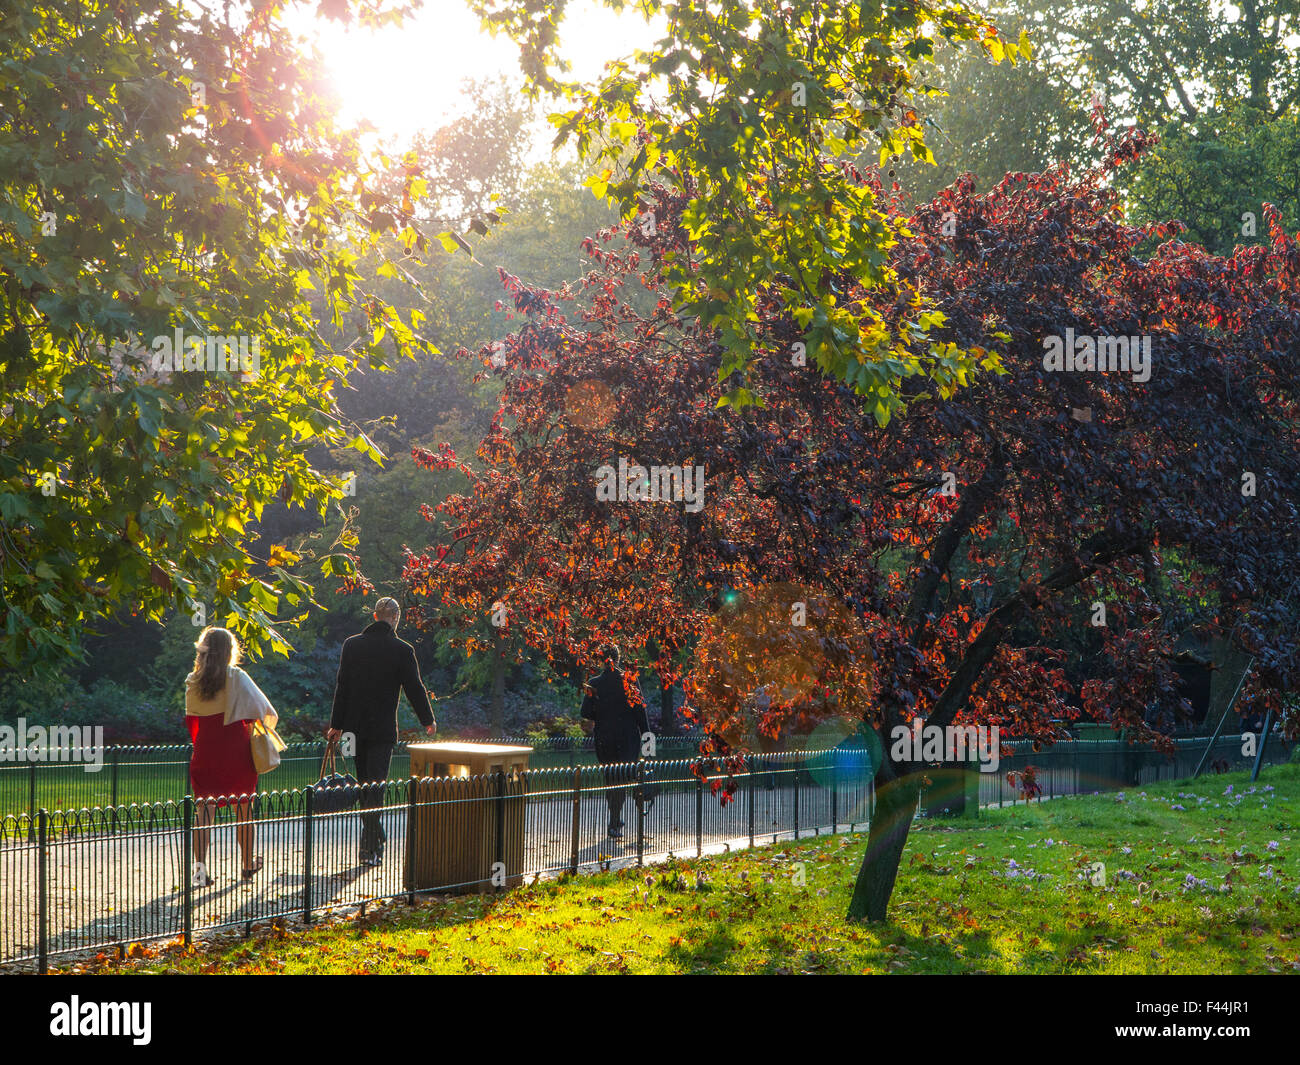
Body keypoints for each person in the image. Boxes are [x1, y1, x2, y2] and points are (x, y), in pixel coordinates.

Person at [326, 597, 436, 867]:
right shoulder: (402, 649)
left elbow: (343, 688)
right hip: (382, 730)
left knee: (365, 784)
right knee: (376, 786)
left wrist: (336, 725)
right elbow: (414, 687)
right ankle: (370, 846)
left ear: (375, 616)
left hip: (353, 730)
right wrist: (427, 720)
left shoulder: (351, 646)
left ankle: (373, 837)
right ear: (396, 618)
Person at [184, 626, 273, 886]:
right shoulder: (237, 677)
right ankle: (246, 865)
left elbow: (193, 721)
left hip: (206, 750)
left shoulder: (193, 680)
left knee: (204, 810)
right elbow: (262, 710)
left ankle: (200, 870)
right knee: (244, 808)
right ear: (229, 651)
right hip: (236, 752)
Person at [580, 645, 649, 839]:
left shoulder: (594, 683)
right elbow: (640, 713)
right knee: (622, 777)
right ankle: (615, 818)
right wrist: (647, 738)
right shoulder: (630, 681)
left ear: (601, 659)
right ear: (618, 659)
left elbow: (585, 713)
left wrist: (600, 712)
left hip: (605, 738)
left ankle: (615, 819)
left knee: (611, 778)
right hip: (628, 738)